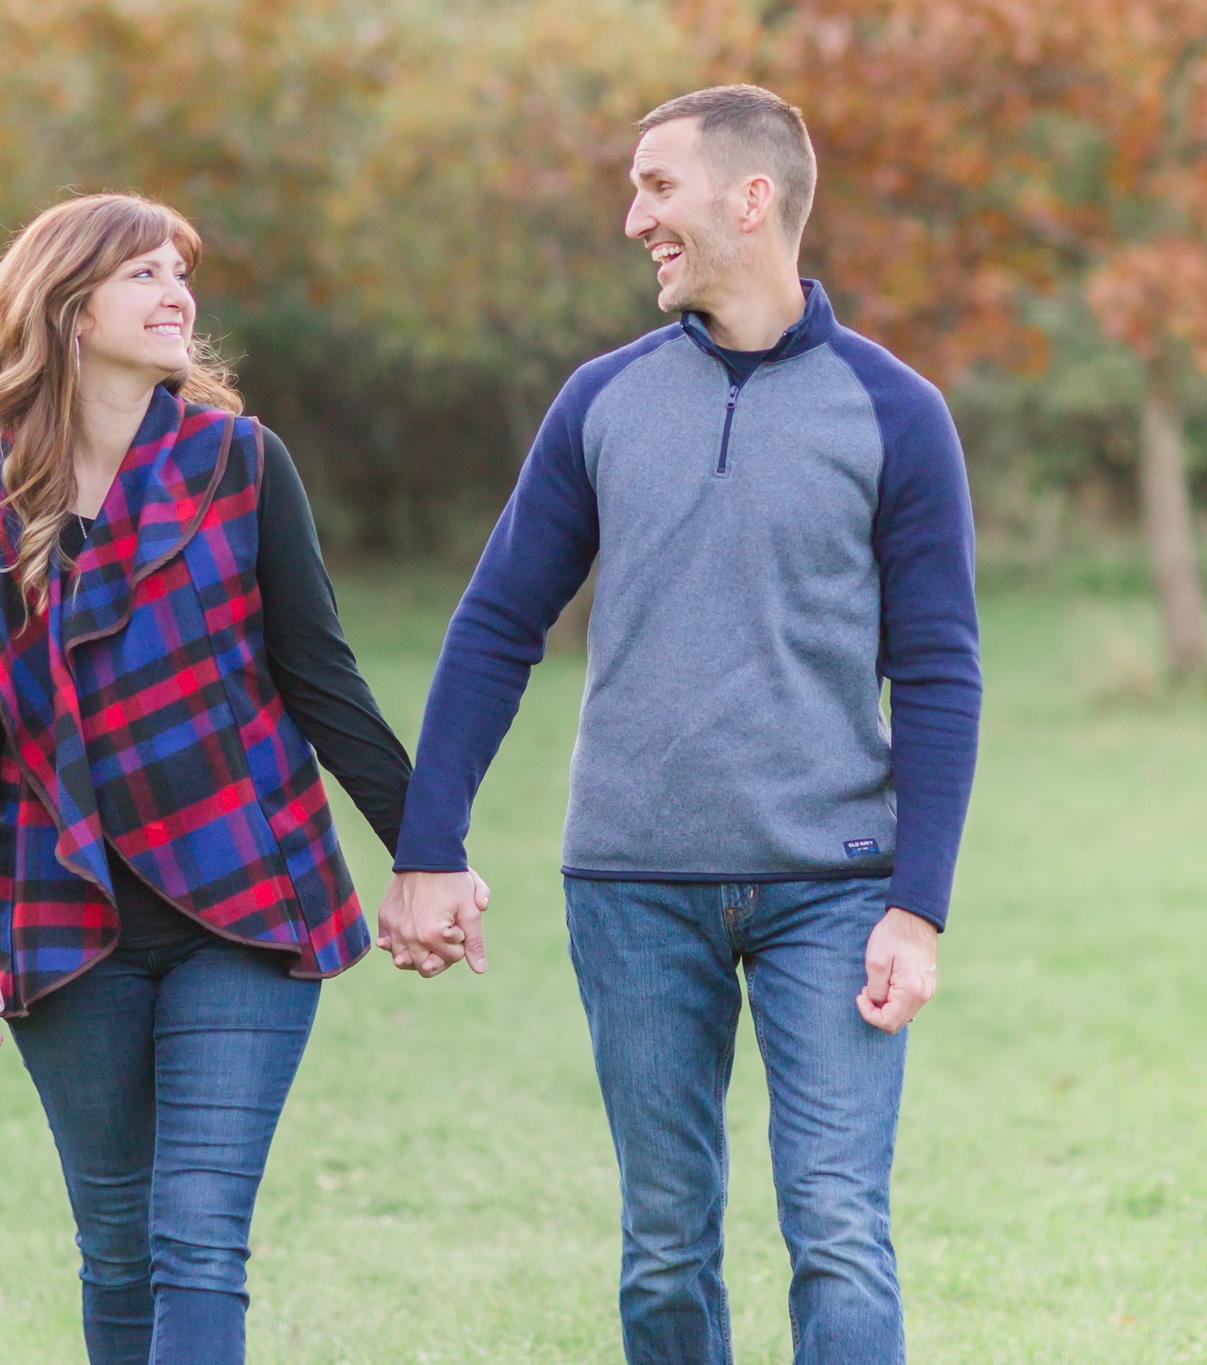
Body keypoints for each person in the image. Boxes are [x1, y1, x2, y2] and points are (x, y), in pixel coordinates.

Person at [375, 86, 983, 1363]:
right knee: (663, 1247)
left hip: (833, 889)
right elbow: (496, 625)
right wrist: (428, 845)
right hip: (633, 888)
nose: (632, 218)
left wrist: (916, 909)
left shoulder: (894, 413)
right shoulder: (601, 402)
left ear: (748, 200)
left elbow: (937, 672)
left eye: (657, 187)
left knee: (838, 1231)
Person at [0, 192, 464, 1365]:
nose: (176, 295)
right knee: (116, 1247)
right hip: (62, 911)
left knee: (197, 1235)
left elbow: (322, 678)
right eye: (144, 274)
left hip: (247, 894)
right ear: (69, 308)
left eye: (180, 273)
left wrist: (428, 852)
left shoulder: (238, 465)